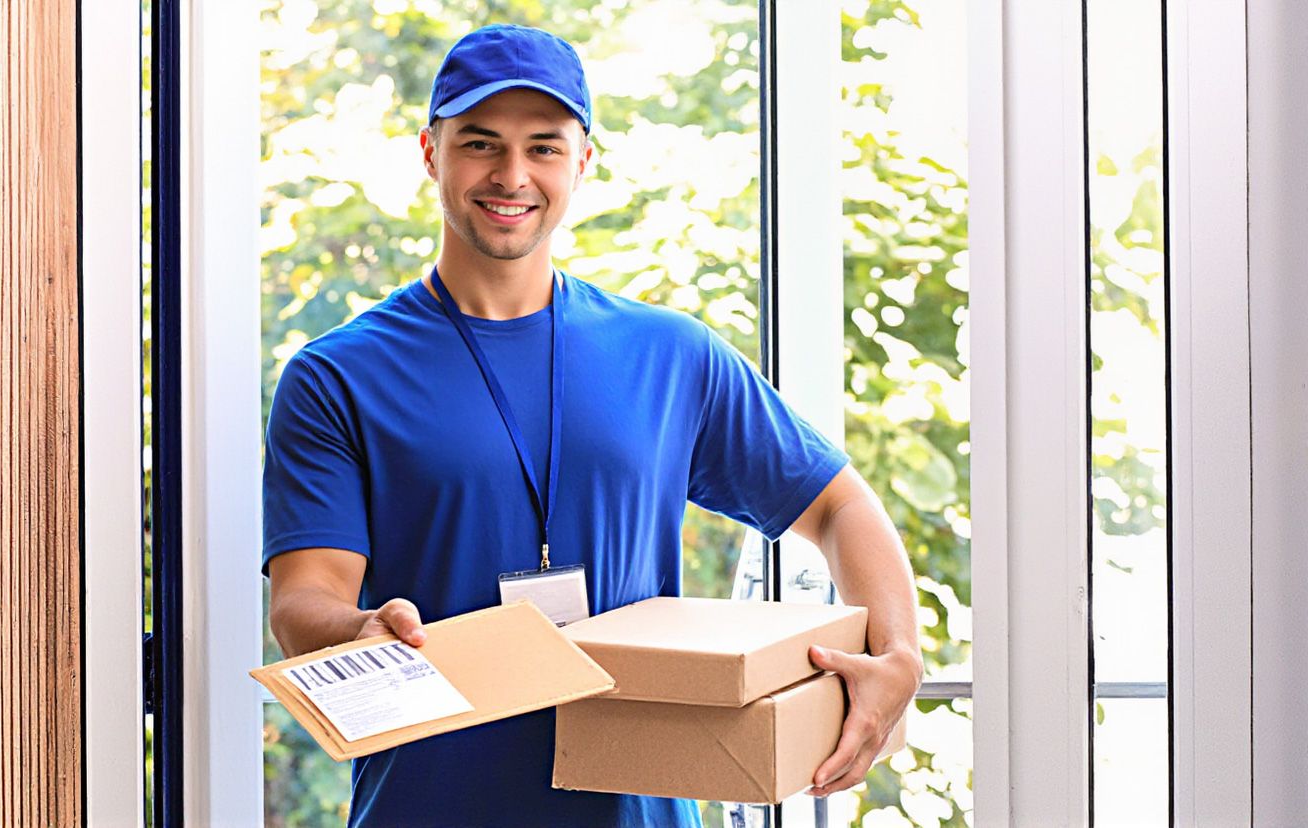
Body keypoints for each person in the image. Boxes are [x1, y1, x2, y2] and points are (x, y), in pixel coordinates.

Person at [263, 23, 922, 828]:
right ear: (432, 152)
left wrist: (897, 657)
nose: (511, 175)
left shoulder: (670, 355)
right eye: (480, 143)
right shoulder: (338, 376)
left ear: (584, 161)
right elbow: (304, 598)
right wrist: (362, 629)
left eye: (544, 147)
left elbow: (839, 506)